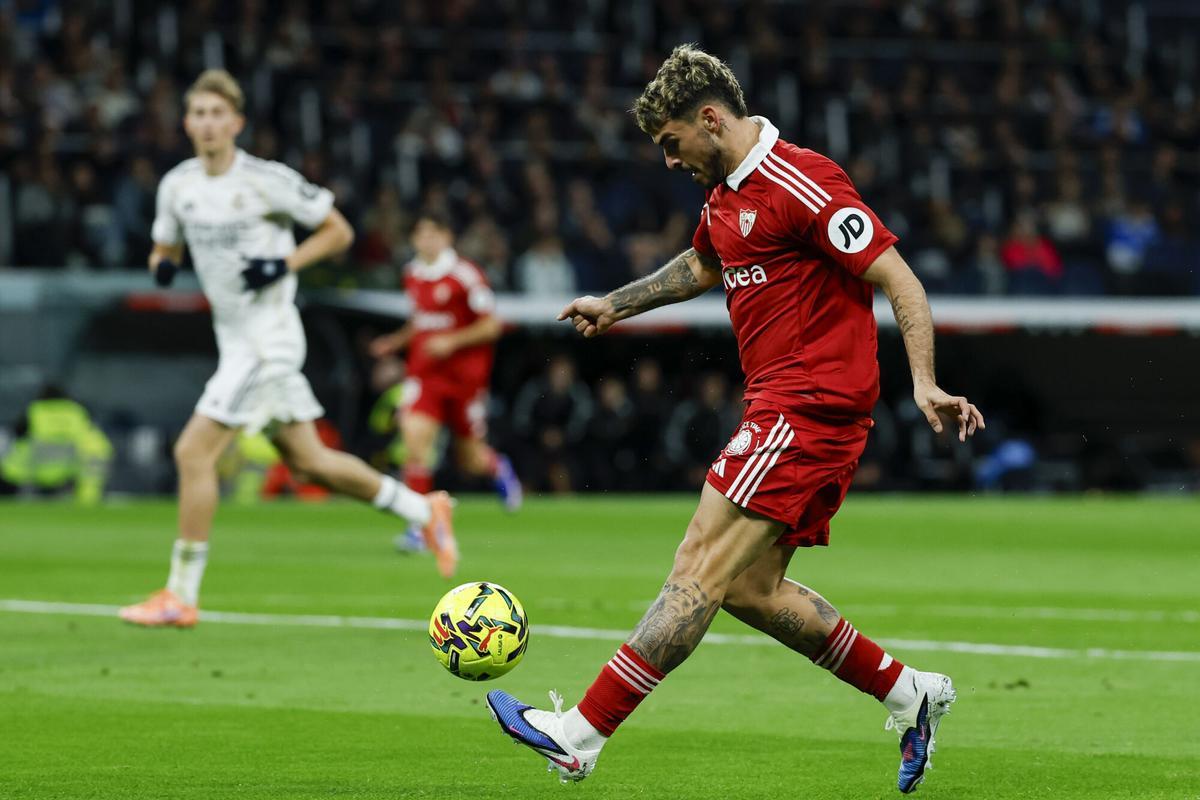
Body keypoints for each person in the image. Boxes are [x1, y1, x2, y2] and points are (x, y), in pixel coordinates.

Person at [486, 46, 985, 795]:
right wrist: (614, 305)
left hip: (809, 408)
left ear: (711, 118)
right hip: (784, 408)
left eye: (671, 142)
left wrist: (924, 381)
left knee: (698, 565)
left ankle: (579, 735)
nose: (668, 160)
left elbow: (897, 274)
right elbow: (700, 266)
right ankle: (910, 694)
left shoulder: (803, 181)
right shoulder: (724, 197)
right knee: (751, 589)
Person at [119, 70, 457, 629]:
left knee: (191, 453)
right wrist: (161, 262)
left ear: (236, 122)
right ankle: (424, 509)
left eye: (216, 113)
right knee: (311, 462)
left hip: (268, 340)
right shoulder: (177, 185)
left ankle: (180, 594)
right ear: (186, 122)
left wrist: (284, 263)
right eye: (198, 113)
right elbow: (165, 240)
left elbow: (338, 230)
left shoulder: (265, 180)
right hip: (234, 344)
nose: (207, 123)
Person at [369, 211, 522, 550]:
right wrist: (395, 341)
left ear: (447, 237)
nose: (427, 241)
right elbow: (420, 322)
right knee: (415, 443)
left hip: (465, 381)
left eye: (433, 234)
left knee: (470, 458)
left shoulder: (465, 276)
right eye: (420, 235)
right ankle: (420, 526)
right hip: (425, 376)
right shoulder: (412, 273)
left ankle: (498, 468)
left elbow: (491, 326)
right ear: (413, 240)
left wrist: (451, 341)